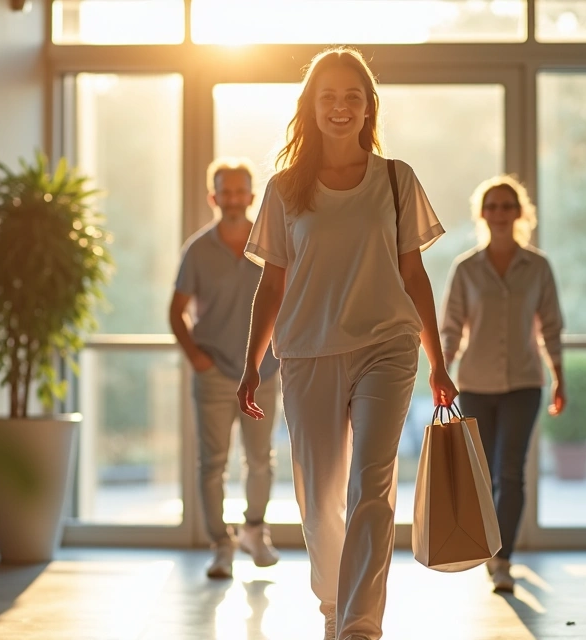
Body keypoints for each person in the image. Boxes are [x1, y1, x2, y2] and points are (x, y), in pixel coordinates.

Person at [236, 46, 458, 640]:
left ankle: (361, 623)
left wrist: (438, 363)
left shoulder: (396, 177)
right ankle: (333, 606)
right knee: (319, 495)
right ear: (310, 106)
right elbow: (272, 281)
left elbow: (415, 275)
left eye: (351, 97)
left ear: (368, 107)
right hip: (307, 351)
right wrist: (251, 364)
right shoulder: (285, 188)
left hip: (387, 345)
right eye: (327, 96)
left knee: (372, 484)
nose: (340, 107)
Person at [439, 174, 566, 593]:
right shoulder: (465, 269)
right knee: (484, 474)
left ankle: (503, 559)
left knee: (510, 473)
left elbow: (551, 326)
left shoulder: (539, 266)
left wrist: (559, 377)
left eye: (506, 206)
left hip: (525, 385)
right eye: (491, 206)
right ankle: (489, 550)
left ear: (519, 213)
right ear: (482, 214)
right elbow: (451, 328)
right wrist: (442, 371)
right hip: (474, 383)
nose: (498, 214)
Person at [170, 157, 282, 579]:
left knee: (260, 460)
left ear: (252, 196)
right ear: (212, 197)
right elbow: (175, 312)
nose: (233, 199)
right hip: (214, 373)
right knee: (212, 463)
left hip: (264, 372)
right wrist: (198, 359)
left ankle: (254, 531)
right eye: (225, 191)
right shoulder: (198, 250)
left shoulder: (273, 242)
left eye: (240, 191)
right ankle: (221, 545)